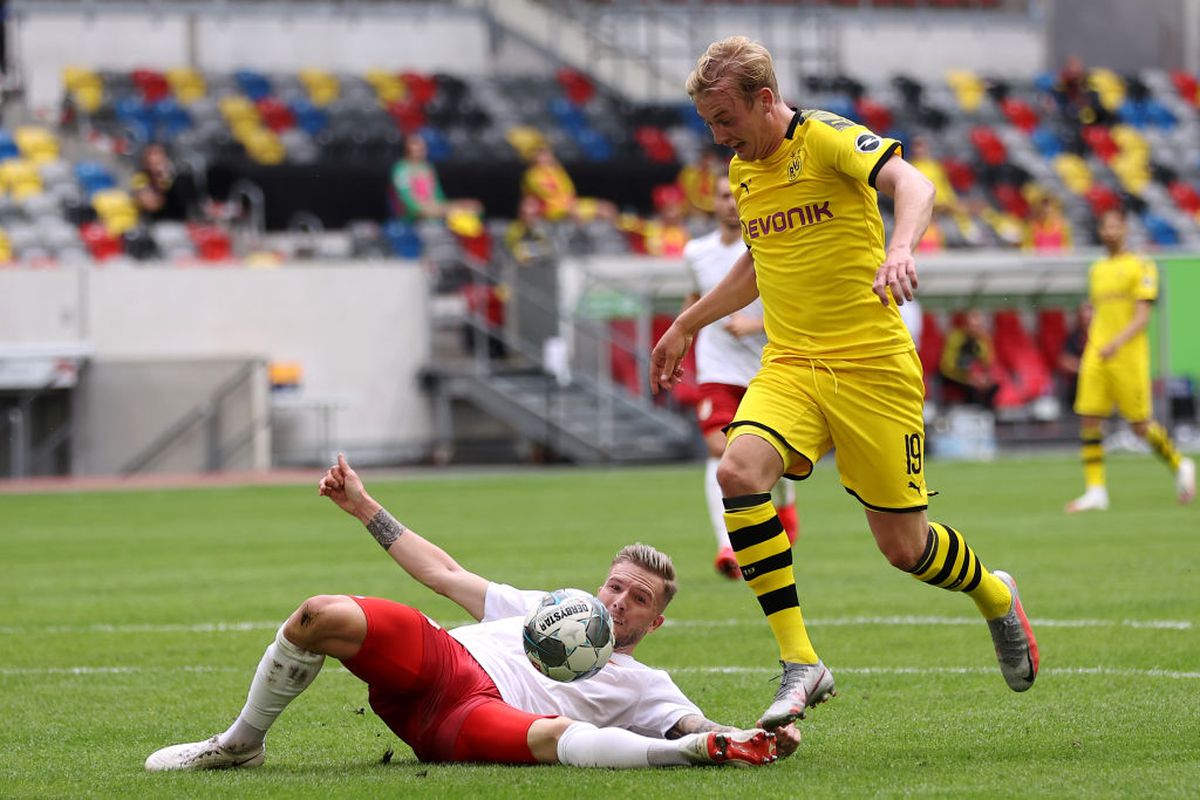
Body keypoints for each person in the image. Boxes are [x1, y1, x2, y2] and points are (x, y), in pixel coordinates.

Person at [649, 36, 1039, 731]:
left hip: (871, 367)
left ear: (766, 100)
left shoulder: (825, 136)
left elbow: (916, 185)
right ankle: (801, 661)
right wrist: (688, 322)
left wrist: (899, 247)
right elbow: (755, 262)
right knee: (738, 472)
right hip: (792, 364)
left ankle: (994, 595)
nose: (717, 136)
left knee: (905, 549)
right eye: (708, 122)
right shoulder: (744, 171)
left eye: (725, 117)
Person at [144, 455, 790, 772]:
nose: (618, 602)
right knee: (320, 616)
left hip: (474, 720)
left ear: (655, 625)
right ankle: (240, 745)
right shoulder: (554, 608)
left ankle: (704, 757)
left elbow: (686, 717)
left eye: (638, 600)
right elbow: (444, 574)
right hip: (441, 662)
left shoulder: (644, 683)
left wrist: (745, 731)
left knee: (553, 739)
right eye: (615, 587)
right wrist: (364, 506)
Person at [682, 174, 798, 579]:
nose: (730, 204)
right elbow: (695, 299)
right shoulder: (696, 252)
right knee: (720, 450)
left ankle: (784, 500)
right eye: (721, 197)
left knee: (768, 457)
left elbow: (796, 304)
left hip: (769, 367)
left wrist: (755, 325)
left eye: (735, 196)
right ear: (711, 203)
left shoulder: (774, 241)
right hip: (717, 368)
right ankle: (728, 546)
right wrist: (681, 336)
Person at [1065, 208, 1195, 512]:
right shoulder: (1097, 269)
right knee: (1089, 417)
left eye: (1115, 226)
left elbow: (1142, 317)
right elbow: (1100, 312)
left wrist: (1115, 343)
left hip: (1128, 355)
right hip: (1098, 353)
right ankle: (1096, 491)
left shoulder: (1141, 266)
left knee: (1139, 425)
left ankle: (1180, 464)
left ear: (1125, 229)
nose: (1110, 231)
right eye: (1105, 227)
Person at [939, 308, 1000, 409]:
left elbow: (988, 362)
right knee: (971, 389)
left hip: (974, 375)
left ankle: (987, 414)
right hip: (955, 375)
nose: (974, 329)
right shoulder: (955, 338)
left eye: (977, 326)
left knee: (993, 387)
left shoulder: (983, 340)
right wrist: (967, 378)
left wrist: (984, 378)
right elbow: (947, 366)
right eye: (971, 326)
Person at [130, 142, 204, 222]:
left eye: (159, 163)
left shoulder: (178, 176)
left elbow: (187, 200)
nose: (156, 168)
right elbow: (151, 205)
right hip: (154, 222)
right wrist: (160, 185)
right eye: (152, 164)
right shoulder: (140, 177)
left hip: (180, 220)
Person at [1057, 301, 1091, 409]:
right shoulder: (1074, 337)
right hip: (1077, 390)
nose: (1086, 317)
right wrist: (1087, 368)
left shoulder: (1104, 337)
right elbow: (1064, 361)